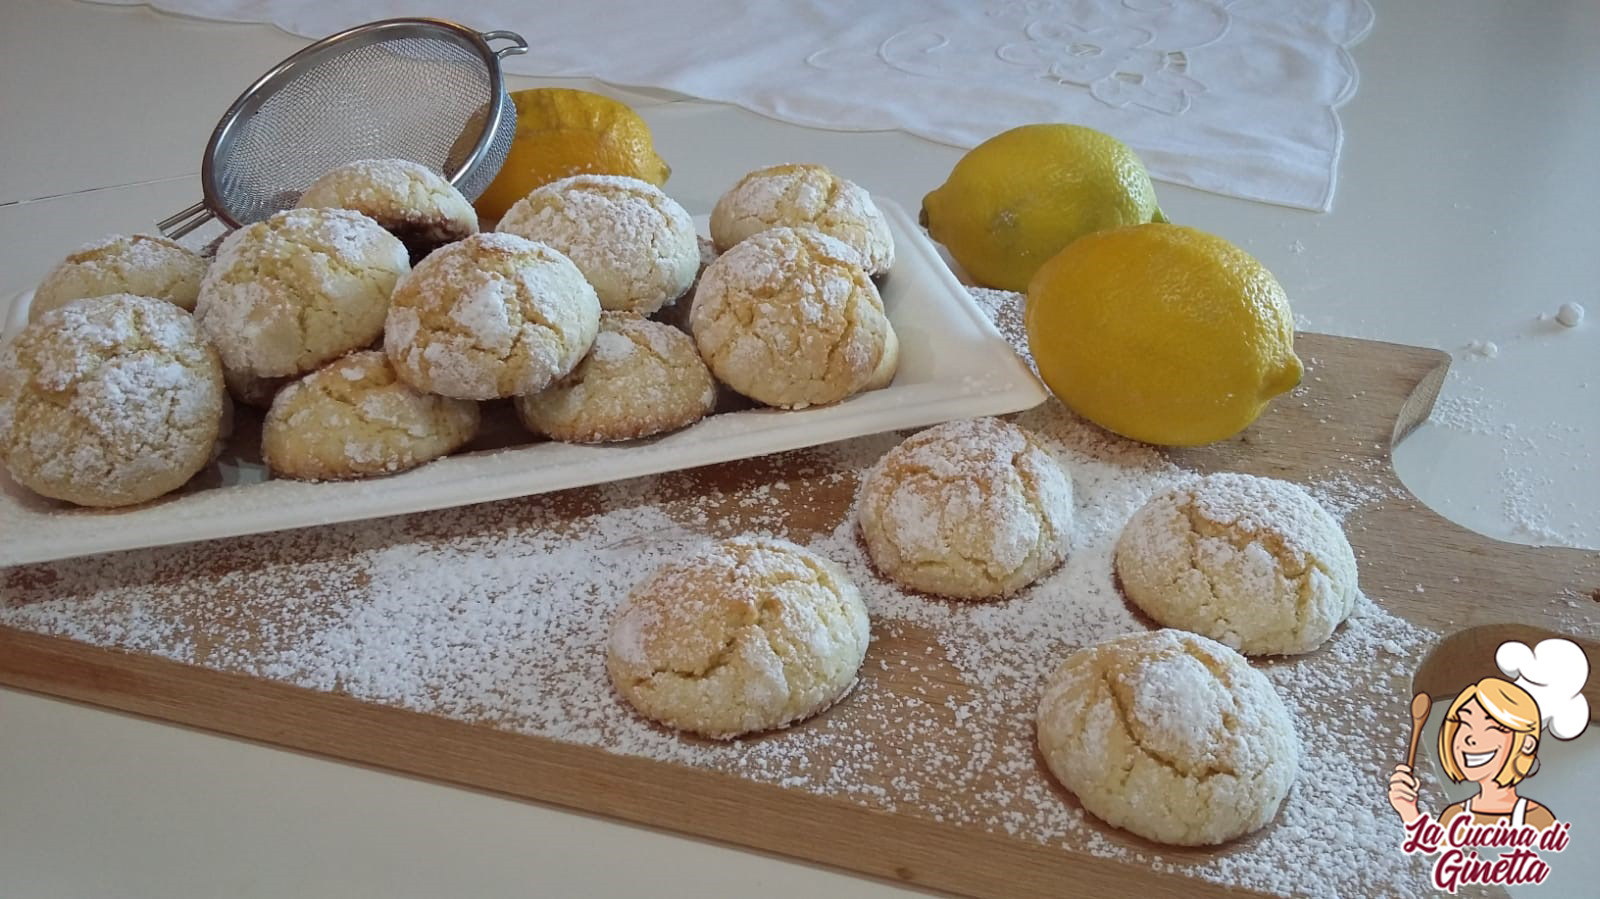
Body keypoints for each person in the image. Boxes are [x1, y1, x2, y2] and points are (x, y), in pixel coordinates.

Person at [1389, 677, 1556, 830]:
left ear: (1527, 744)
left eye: (1492, 727)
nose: (1470, 738)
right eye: (1464, 723)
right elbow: (1435, 856)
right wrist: (1408, 811)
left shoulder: (1536, 819)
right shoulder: (1454, 816)